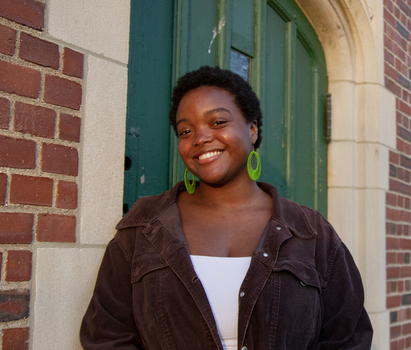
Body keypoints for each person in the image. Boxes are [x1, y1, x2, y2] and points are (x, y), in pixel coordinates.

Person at [80, 66, 373, 349]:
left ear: (253, 129)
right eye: (185, 131)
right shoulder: (144, 227)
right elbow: (107, 335)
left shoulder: (310, 232)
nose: (201, 138)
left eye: (218, 122)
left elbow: (348, 337)